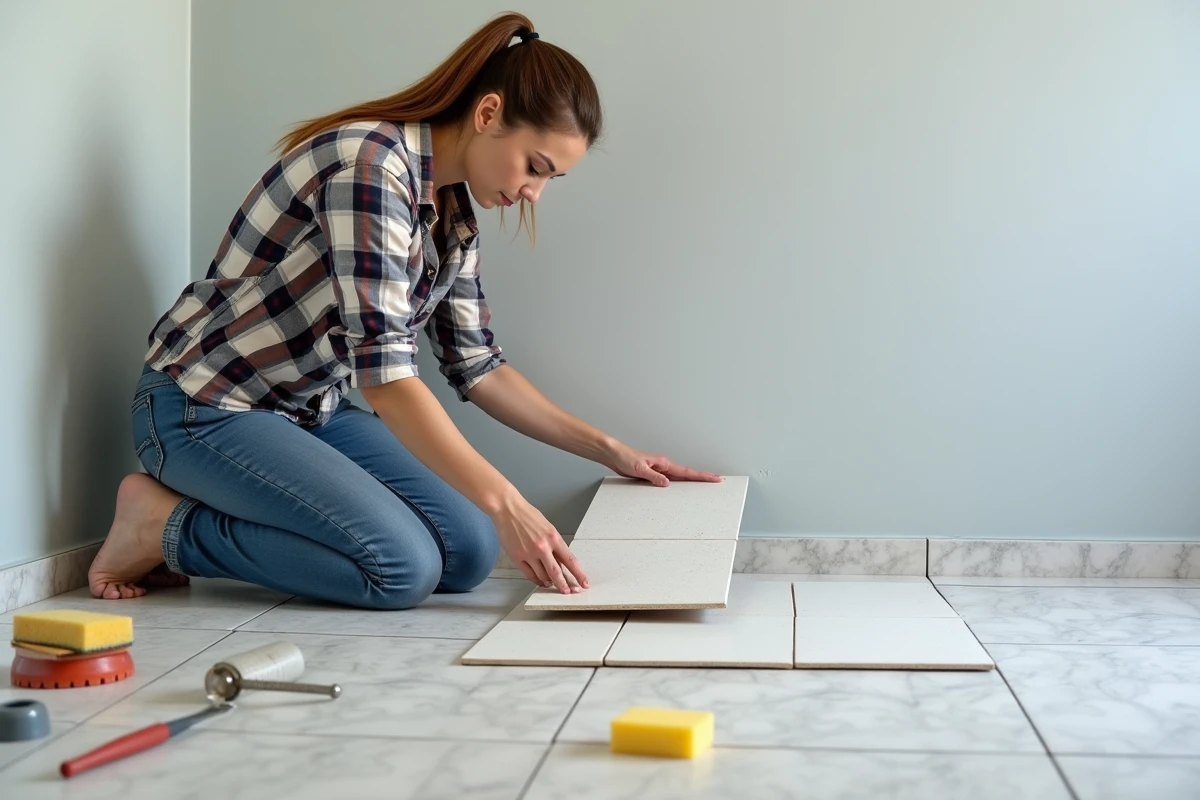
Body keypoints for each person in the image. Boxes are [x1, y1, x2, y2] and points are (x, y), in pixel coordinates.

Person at [88, 12, 720, 610]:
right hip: (202, 406)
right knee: (399, 569)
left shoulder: (454, 215)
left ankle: (183, 520)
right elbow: (387, 379)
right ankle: (162, 527)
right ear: (488, 112)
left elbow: (479, 367)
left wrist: (612, 451)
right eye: (535, 167)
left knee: (469, 552)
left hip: (306, 411)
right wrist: (509, 505)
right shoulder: (370, 167)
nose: (534, 192)